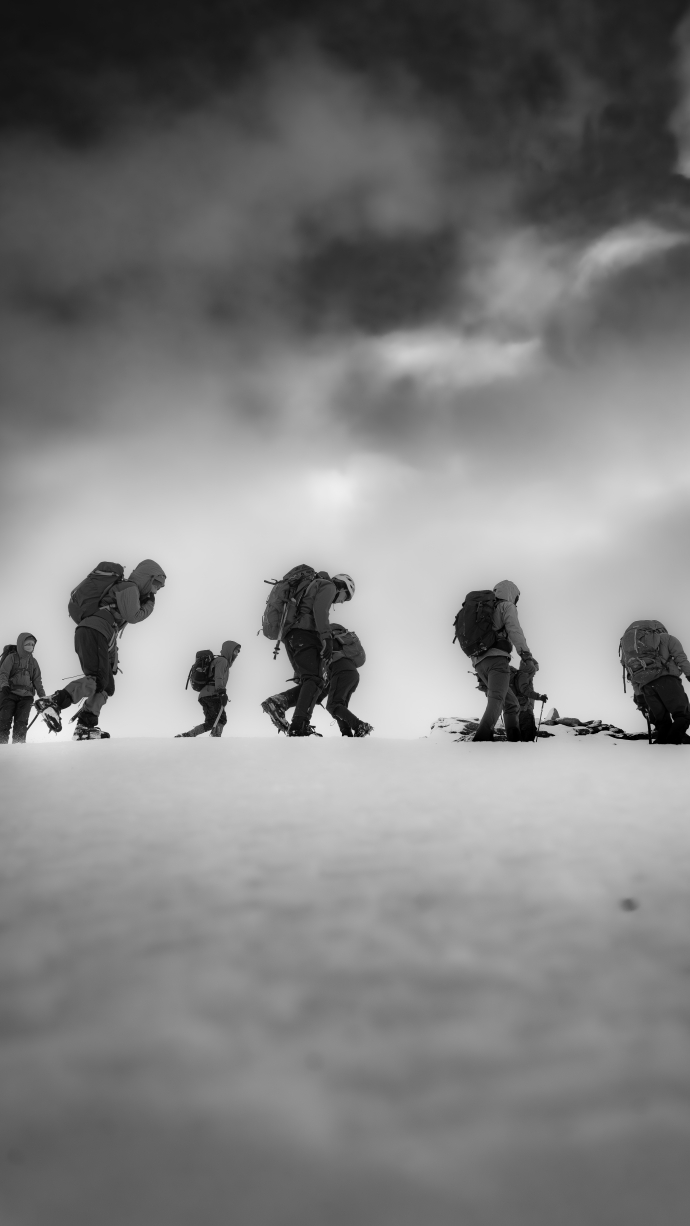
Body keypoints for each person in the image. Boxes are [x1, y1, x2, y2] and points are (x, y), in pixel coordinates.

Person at [35, 559, 166, 740]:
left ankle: (85, 726)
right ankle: (53, 702)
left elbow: (111, 626)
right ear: (147, 579)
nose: (156, 590)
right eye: (156, 584)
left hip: (97, 633)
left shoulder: (130, 592)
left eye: (159, 587)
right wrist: (150, 603)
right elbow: (133, 616)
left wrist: (112, 659)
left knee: (107, 685)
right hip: (93, 631)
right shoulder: (130, 588)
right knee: (97, 679)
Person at [261, 572, 355, 737]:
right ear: (343, 587)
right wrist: (326, 638)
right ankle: (298, 724)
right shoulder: (329, 586)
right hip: (304, 634)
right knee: (316, 680)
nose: (341, 602)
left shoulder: (315, 585)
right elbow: (320, 610)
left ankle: (282, 706)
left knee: (312, 681)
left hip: (291, 636)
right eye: (345, 597)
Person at [471, 580, 535, 742]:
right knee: (497, 699)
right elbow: (514, 630)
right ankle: (481, 738)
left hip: (479, 662)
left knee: (511, 703)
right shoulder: (506, 606)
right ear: (512, 594)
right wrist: (525, 654)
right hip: (497, 661)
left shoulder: (485, 607)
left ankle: (514, 741)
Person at [620, 620, 690, 744]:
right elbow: (681, 658)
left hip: (646, 687)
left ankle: (661, 748)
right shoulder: (667, 639)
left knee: (662, 721)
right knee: (682, 715)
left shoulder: (631, 652)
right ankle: (674, 745)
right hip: (667, 681)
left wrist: (639, 696)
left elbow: (632, 675)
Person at [176, 641, 241, 737]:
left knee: (211, 722)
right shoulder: (222, 661)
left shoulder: (220, 661)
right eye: (236, 651)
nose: (237, 654)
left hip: (205, 695)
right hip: (212, 694)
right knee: (221, 719)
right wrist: (222, 692)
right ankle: (215, 740)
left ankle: (188, 735)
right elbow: (218, 677)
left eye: (238, 652)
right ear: (229, 650)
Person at [0, 633, 45, 744]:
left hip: (26, 697)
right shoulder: (12, 658)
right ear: (21, 644)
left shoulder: (33, 662)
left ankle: (18, 748)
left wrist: (43, 696)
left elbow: (37, 681)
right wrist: (4, 685)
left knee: (21, 723)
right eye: (27, 644)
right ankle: (1, 746)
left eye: (32, 644)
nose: (30, 646)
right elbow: (3, 673)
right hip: (9, 694)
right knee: (4, 721)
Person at [508, 657, 548, 742]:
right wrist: (539, 696)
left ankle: (524, 751)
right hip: (524, 708)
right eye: (535, 669)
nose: (535, 673)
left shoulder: (523, 675)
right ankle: (527, 752)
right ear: (531, 667)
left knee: (525, 734)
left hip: (523, 707)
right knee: (528, 735)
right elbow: (524, 689)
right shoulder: (524, 675)